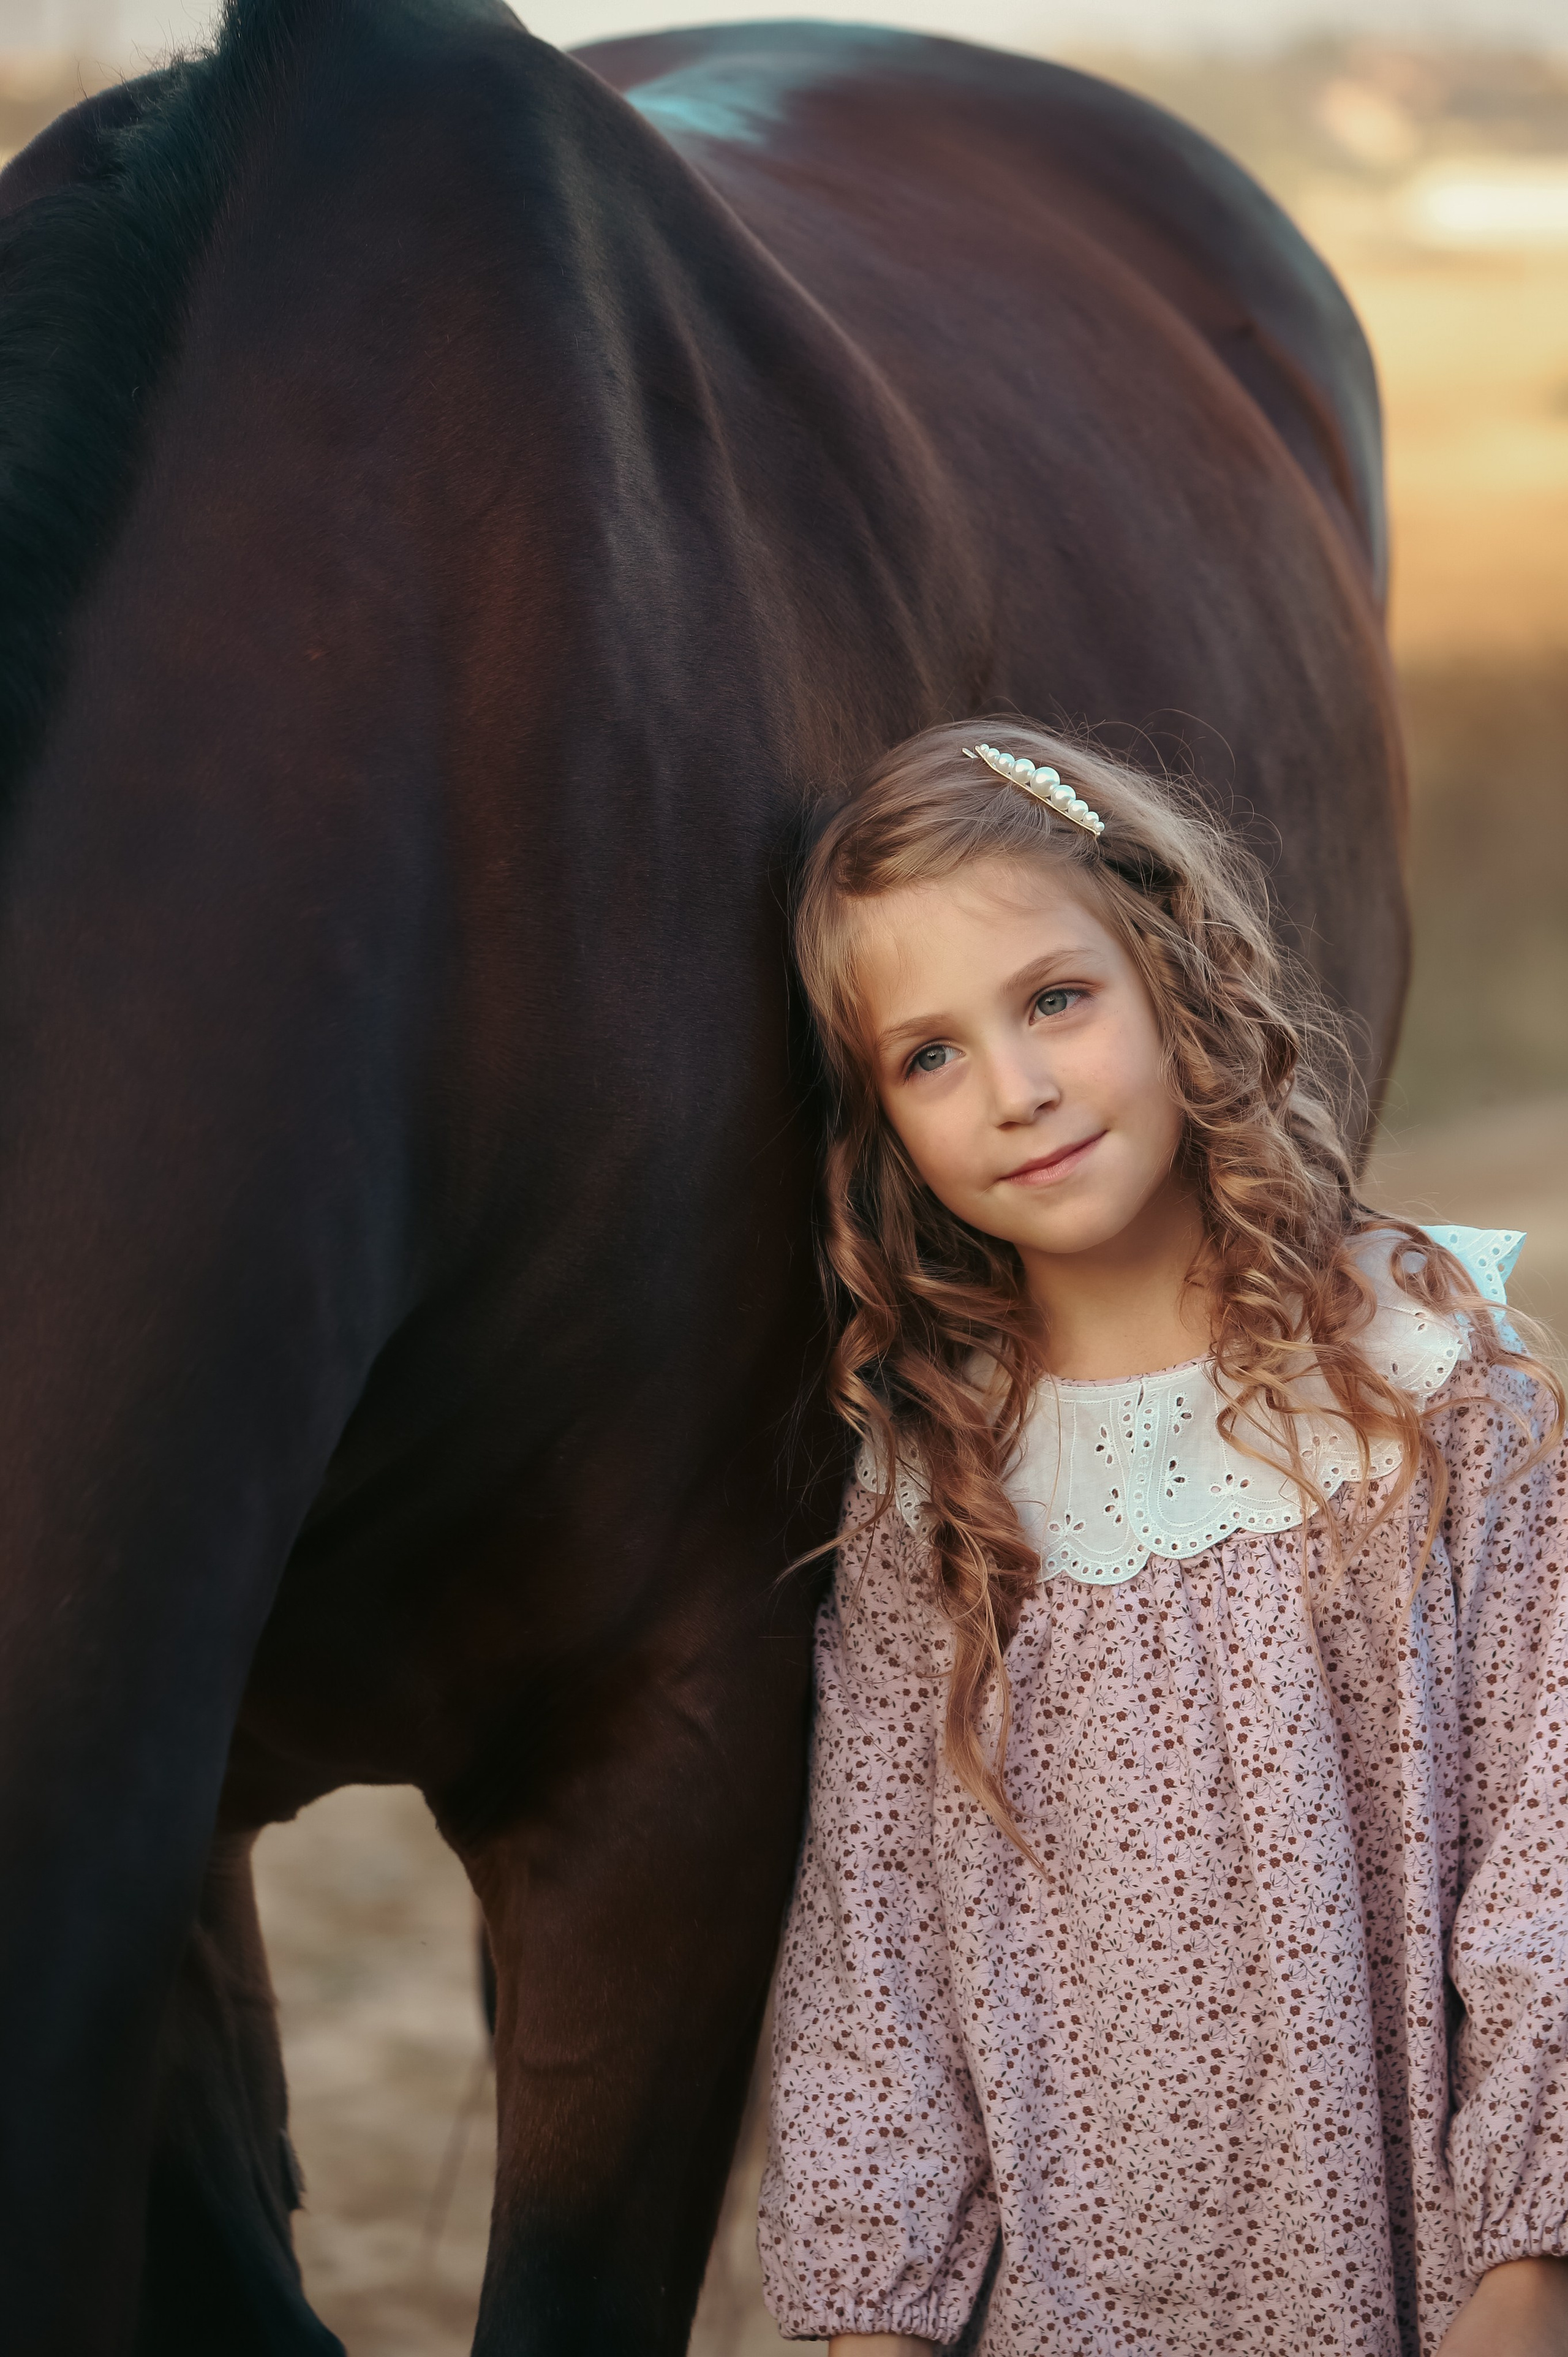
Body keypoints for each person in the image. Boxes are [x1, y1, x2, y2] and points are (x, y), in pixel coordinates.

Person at [758, 720, 1568, 2357]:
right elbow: (877, 1986)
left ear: (1169, 967)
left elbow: (1550, 1868)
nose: (1021, 1090)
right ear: (882, 1122)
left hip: (1437, 2290)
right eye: (931, 1055)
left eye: (1055, 999)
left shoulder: (1432, 1389)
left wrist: (1527, 2281)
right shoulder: (938, 1502)